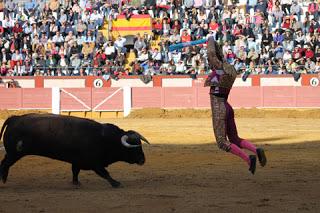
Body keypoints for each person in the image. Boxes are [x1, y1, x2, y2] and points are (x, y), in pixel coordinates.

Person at [204, 37, 267, 174]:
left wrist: (210, 41)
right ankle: (256, 150)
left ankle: (249, 159)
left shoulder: (218, 70)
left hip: (219, 108)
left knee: (222, 142)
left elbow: (211, 55)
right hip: (227, 106)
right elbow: (214, 57)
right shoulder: (231, 70)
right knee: (235, 139)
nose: (209, 61)